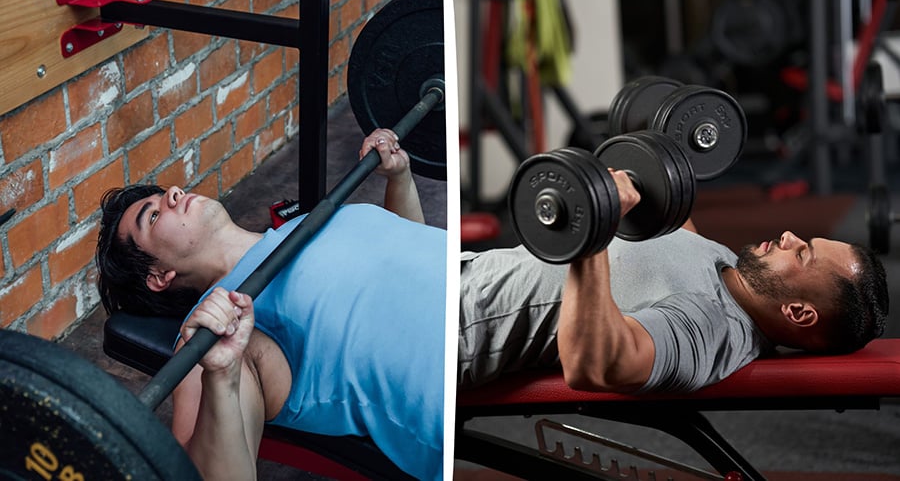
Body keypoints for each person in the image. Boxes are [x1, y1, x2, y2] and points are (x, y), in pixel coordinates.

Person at [96, 129, 446, 481]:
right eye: (153, 216)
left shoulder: (302, 223)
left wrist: (399, 178)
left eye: (164, 195)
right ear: (159, 276)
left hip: (471, 273)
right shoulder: (218, 331)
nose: (173, 193)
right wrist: (222, 374)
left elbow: (405, 255)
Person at [457, 169, 890, 393]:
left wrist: (593, 234)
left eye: (802, 253)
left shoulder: (713, 327)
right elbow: (670, 222)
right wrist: (667, 149)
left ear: (797, 312)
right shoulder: (729, 271)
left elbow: (598, 366)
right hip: (461, 273)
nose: (789, 236)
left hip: (452, 329)